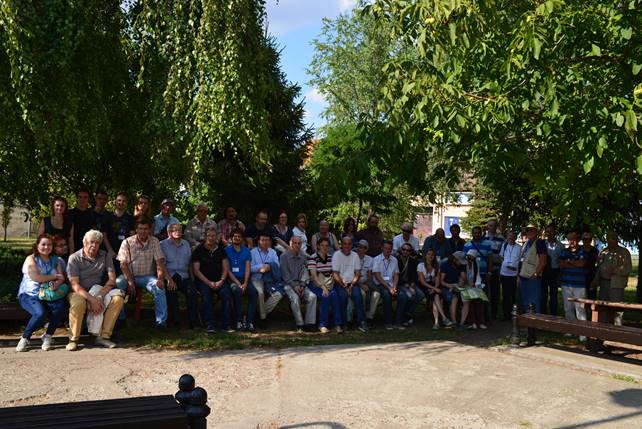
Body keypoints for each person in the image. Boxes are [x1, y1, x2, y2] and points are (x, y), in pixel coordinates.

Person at [66, 230, 125, 351]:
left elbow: (112, 280)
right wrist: (92, 299)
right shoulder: (75, 258)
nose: (94, 245)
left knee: (118, 299)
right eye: (91, 242)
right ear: (84, 242)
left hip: (99, 290)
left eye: (97, 243)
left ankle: (103, 337)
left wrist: (99, 296)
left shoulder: (105, 255)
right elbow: (75, 285)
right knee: (78, 304)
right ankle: (73, 339)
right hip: (79, 292)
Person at [15, 234, 68, 352]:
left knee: (60, 308)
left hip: (48, 294)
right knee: (40, 313)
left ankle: (48, 336)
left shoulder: (56, 259)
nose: (46, 247)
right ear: (37, 245)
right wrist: (54, 276)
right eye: (43, 244)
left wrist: (57, 284)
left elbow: (62, 278)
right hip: (30, 295)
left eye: (49, 244)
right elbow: (36, 277)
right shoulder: (31, 259)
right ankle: (25, 338)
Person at [116, 217, 169, 328]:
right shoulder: (127, 242)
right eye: (140, 228)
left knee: (159, 288)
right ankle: (120, 318)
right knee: (117, 285)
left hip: (147, 277)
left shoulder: (154, 241)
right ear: (136, 229)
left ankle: (161, 322)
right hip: (129, 275)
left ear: (149, 230)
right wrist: (130, 281)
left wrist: (160, 278)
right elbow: (123, 264)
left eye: (145, 229)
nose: (143, 231)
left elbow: (159, 262)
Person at [192, 227, 231, 332]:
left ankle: (226, 324)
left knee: (226, 293)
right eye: (209, 235)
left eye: (213, 236)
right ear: (205, 237)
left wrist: (222, 280)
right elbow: (196, 271)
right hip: (204, 281)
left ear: (217, 237)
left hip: (220, 281)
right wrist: (209, 283)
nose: (211, 238)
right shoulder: (198, 251)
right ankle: (209, 324)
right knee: (206, 295)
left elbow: (225, 267)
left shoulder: (221, 250)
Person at [160, 222, 198, 328]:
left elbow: (190, 263)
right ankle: (175, 321)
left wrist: (192, 278)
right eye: (175, 230)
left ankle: (193, 320)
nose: (178, 232)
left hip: (184, 275)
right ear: (169, 232)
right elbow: (161, 265)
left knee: (191, 291)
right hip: (169, 275)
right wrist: (169, 280)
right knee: (171, 292)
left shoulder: (186, 244)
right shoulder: (162, 244)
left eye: (179, 230)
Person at [592, 231, 632, 326]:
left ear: (617, 240)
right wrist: (595, 280)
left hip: (616, 284)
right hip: (604, 284)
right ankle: (603, 330)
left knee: (617, 308)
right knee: (603, 307)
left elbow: (628, 268)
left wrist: (616, 270)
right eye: (609, 239)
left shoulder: (624, 252)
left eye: (613, 238)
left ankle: (617, 330)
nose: (610, 241)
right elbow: (598, 267)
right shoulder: (603, 251)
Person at [280, 235, 317, 330]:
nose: (297, 245)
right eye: (294, 243)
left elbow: (306, 271)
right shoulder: (284, 256)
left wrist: (303, 285)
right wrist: (295, 286)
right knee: (295, 298)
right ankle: (300, 324)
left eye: (299, 243)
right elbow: (285, 275)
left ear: (301, 245)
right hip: (288, 284)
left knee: (312, 297)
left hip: (301, 284)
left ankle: (310, 323)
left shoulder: (303, 256)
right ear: (290, 244)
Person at [332, 236, 367, 332]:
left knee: (358, 296)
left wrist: (351, 285)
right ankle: (344, 323)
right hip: (340, 283)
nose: (347, 246)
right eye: (345, 244)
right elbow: (335, 274)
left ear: (352, 245)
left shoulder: (355, 255)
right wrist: (343, 285)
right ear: (341, 245)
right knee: (343, 297)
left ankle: (362, 322)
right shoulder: (336, 255)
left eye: (349, 244)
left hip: (353, 283)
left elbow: (357, 273)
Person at [225, 229, 257, 331]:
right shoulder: (226, 250)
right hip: (232, 279)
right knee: (236, 291)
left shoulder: (246, 251)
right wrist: (238, 283)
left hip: (245, 279)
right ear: (231, 238)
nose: (237, 238)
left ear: (242, 238)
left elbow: (248, 267)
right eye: (235, 236)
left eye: (239, 236)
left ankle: (249, 321)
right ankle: (238, 320)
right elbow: (227, 270)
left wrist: (245, 283)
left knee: (254, 293)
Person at [308, 237, 342, 333]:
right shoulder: (313, 257)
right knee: (326, 295)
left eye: (327, 245)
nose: (324, 247)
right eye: (322, 245)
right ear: (318, 246)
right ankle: (322, 325)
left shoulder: (331, 257)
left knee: (335, 296)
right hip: (316, 285)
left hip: (329, 284)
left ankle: (337, 324)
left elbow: (334, 273)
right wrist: (323, 287)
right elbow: (313, 276)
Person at [559, 231, 587, 340]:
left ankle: (583, 333)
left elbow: (582, 264)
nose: (572, 241)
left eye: (574, 239)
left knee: (580, 308)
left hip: (579, 285)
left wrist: (569, 262)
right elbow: (561, 264)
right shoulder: (564, 251)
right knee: (568, 308)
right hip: (566, 284)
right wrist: (574, 263)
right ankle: (570, 330)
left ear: (578, 240)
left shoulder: (583, 251)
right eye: (569, 239)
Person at [372, 240, 407, 330]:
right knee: (387, 295)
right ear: (382, 248)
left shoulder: (394, 260)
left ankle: (398, 322)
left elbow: (396, 274)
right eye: (386, 248)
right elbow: (377, 276)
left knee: (403, 296)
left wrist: (394, 287)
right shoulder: (376, 259)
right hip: (381, 284)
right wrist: (389, 288)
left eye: (390, 249)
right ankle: (388, 322)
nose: (388, 250)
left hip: (392, 284)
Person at [250, 231, 282, 322]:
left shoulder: (272, 252)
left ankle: (259, 313)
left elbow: (277, 265)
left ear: (270, 241)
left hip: (270, 279)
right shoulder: (253, 252)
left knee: (278, 294)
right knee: (260, 293)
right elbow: (250, 268)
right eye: (263, 240)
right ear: (259, 241)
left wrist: (269, 266)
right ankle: (262, 319)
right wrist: (261, 267)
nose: (265, 242)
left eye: (267, 240)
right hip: (257, 278)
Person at [417, 249, 452, 329]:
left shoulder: (436, 265)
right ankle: (444, 318)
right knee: (436, 295)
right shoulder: (420, 265)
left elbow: (437, 279)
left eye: (432, 254)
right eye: (428, 254)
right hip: (424, 286)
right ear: (425, 255)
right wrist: (434, 289)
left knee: (436, 296)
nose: (430, 256)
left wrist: (435, 288)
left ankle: (436, 323)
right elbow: (422, 282)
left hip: (434, 285)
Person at [518, 223, 547, 313]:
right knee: (525, 301)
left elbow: (543, 261)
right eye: (528, 230)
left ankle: (535, 324)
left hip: (533, 278)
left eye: (532, 230)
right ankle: (527, 324)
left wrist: (536, 274)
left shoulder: (540, 242)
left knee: (534, 302)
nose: (529, 232)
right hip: (523, 277)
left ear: (536, 231)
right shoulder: (526, 243)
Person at [396, 243, 425, 326]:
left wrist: (412, 284)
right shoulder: (396, 260)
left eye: (408, 250)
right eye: (403, 249)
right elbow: (395, 276)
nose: (405, 251)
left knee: (420, 295)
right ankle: (403, 317)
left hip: (409, 283)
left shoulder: (413, 261)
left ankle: (407, 313)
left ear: (410, 252)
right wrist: (407, 286)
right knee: (409, 295)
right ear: (401, 250)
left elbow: (414, 276)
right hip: (399, 284)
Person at [108, 192, 135, 276]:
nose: (121, 202)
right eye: (119, 200)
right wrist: (110, 250)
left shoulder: (130, 218)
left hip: (124, 253)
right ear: (115, 201)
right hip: (111, 252)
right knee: (110, 276)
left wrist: (127, 251)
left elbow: (132, 236)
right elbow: (104, 235)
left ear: (126, 203)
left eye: (124, 201)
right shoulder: (108, 216)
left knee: (123, 277)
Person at [460, 249, 487, 329]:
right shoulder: (463, 265)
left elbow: (478, 275)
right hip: (464, 286)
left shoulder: (476, 264)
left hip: (474, 285)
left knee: (480, 299)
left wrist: (477, 284)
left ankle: (481, 322)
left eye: (471, 259)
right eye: (468, 258)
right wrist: (470, 285)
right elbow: (463, 279)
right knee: (470, 300)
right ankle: (473, 322)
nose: (469, 260)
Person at [483, 219, 505, 320]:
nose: (491, 227)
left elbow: (502, 255)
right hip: (484, 269)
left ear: (496, 227)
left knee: (495, 292)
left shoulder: (501, 239)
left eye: (493, 226)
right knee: (485, 291)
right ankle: (485, 312)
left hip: (496, 269)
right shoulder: (483, 237)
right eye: (490, 225)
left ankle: (494, 313)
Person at [356, 239, 379, 325]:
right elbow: (352, 275)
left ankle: (369, 316)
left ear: (366, 249)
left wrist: (367, 285)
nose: (360, 249)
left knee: (377, 294)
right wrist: (361, 285)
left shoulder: (370, 259)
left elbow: (369, 275)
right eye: (359, 247)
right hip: (356, 283)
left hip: (366, 282)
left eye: (363, 247)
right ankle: (361, 316)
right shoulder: (353, 257)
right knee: (362, 293)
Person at [541, 224, 563, 315]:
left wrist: (560, 275)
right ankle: (543, 314)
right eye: (548, 231)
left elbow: (562, 261)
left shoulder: (560, 246)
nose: (549, 233)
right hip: (544, 271)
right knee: (543, 295)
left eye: (551, 231)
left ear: (555, 232)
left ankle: (553, 315)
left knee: (553, 296)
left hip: (555, 272)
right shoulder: (542, 244)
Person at [499, 231, 521, 320]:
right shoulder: (504, 245)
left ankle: (513, 314)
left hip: (514, 274)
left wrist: (515, 268)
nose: (510, 238)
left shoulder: (519, 247)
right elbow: (501, 257)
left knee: (513, 295)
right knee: (505, 295)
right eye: (509, 236)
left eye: (513, 236)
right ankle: (506, 315)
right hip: (504, 273)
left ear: (515, 238)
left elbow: (521, 260)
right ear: (507, 237)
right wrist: (505, 264)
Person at [439, 252, 466, 326]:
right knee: (454, 298)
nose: (461, 263)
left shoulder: (460, 265)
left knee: (467, 298)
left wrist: (462, 281)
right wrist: (450, 285)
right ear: (454, 259)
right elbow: (441, 281)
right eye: (460, 261)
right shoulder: (445, 265)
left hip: (458, 286)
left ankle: (465, 320)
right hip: (446, 287)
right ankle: (454, 320)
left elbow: (464, 278)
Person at [69, 186, 93, 253]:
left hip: (88, 249)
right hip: (73, 249)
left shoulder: (92, 214)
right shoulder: (69, 214)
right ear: (76, 198)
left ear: (88, 199)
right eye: (80, 197)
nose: (83, 199)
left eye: (85, 197)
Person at [90, 190, 116, 255]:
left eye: (104, 199)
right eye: (99, 198)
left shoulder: (110, 215)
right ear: (96, 199)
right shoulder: (88, 213)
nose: (102, 201)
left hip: (104, 250)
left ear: (107, 200)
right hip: (90, 247)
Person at [582, 231, 600, 300]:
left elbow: (599, 265)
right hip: (580, 279)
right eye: (584, 239)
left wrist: (595, 280)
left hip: (591, 278)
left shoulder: (595, 251)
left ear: (590, 240)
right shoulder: (579, 250)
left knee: (592, 299)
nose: (586, 241)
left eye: (588, 239)